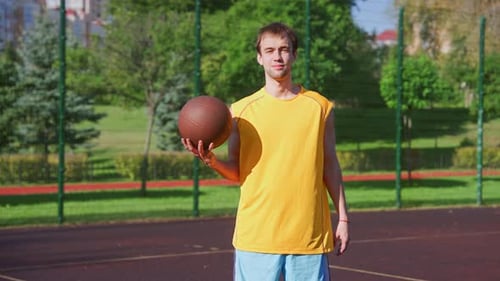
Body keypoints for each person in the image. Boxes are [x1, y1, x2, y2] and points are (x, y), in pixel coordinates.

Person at [181, 22, 349, 281]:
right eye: (269, 50)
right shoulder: (240, 112)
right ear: (259, 58)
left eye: (284, 49)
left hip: (308, 235)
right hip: (257, 235)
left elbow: (330, 166)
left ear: (294, 54)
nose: (277, 56)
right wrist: (212, 161)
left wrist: (343, 219)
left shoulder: (320, 107)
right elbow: (237, 173)